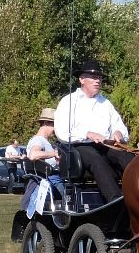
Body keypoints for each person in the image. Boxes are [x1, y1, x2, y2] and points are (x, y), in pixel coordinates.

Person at [53, 59, 132, 203]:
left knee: (125, 156)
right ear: (82, 79)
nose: (98, 81)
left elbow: (119, 126)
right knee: (96, 159)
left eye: (100, 78)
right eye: (94, 77)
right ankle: (115, 200)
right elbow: (62, 132)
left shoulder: (105, 103)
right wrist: (88, 134)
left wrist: (118, 133)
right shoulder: (68, 101)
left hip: (105, 144)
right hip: (79, 147)